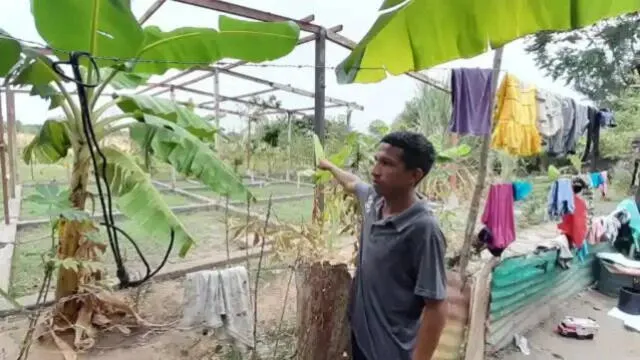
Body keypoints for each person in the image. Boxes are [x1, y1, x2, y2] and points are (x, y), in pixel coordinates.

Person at [318, 131, 448, 360]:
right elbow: (352, 183)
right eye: (377, 160)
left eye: (387, 164)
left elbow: (436, 306)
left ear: (414, 175)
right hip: (360, 336)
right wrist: (329, 166)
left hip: (390, 350)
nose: (375, 170)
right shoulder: (374, 200)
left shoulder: (422, 229)